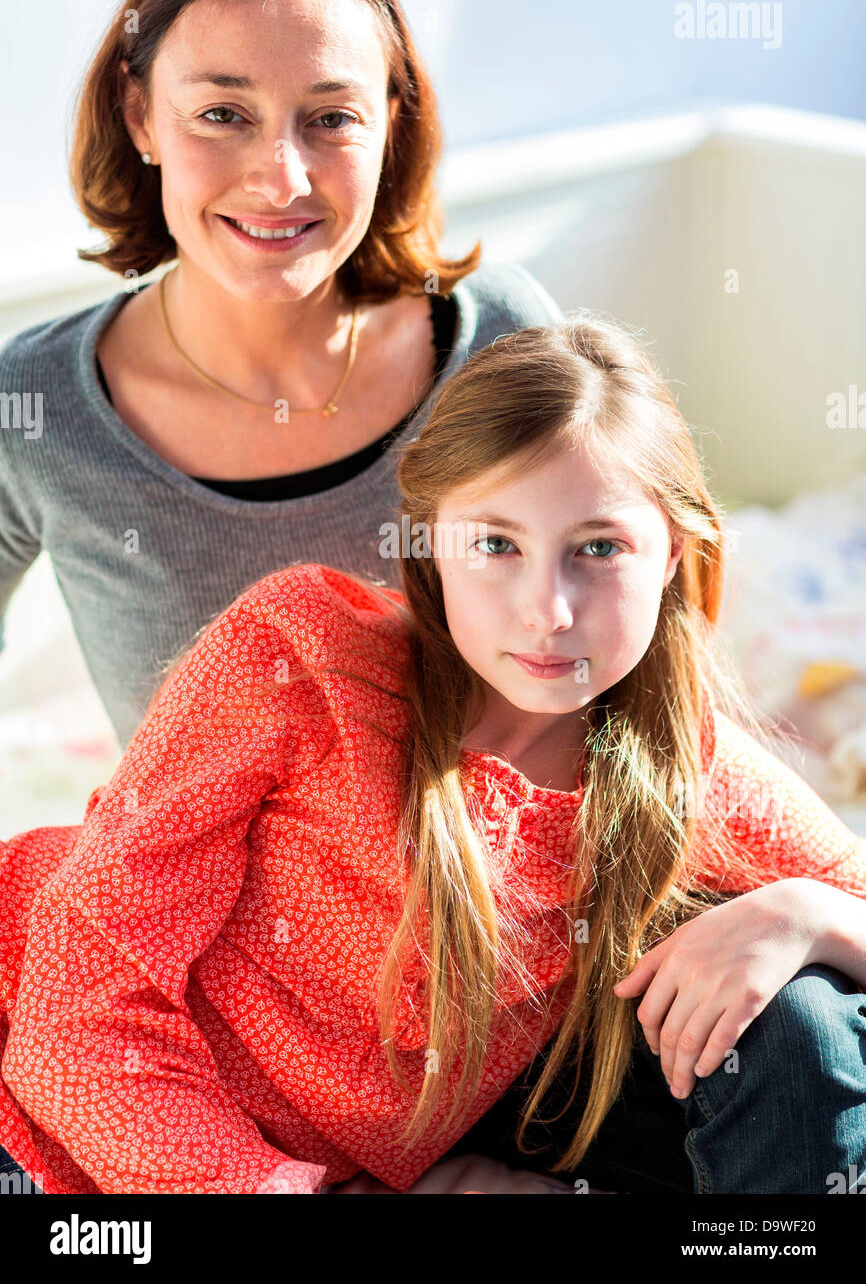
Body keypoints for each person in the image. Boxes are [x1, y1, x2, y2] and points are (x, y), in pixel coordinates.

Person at [1, 314, 865, 1196]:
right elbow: (71, 1013)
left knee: (812, 1021)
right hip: (23, 1104)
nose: (548, 611)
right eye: (496, 545)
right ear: (430, 544)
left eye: (598, 549)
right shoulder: (304, 654)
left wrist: (807, 915)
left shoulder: (686, 772)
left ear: (673, 554)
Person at [0, 0, 560, 749]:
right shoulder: (35, 405)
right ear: (140, 113)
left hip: (475, 870)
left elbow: (632, 644)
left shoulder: (502, 344)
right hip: (188, 882)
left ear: (390, 123)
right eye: (222, 114)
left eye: (332, 118)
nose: (280, 178)